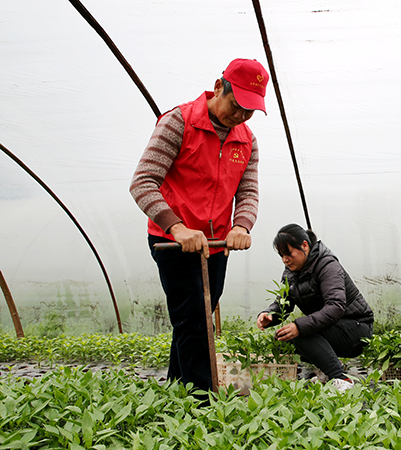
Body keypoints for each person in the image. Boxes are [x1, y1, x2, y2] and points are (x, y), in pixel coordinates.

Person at [130, 58, 269, 393]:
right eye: (236, 107)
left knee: (196, 316)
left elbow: (248, 192)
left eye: (249, 112)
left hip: (217, 244)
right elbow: (143, 182)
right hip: (172, 241)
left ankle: (177, 389)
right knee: (193, 317)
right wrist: (177, 227)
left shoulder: (246, 140)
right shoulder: (178, 122)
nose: (240, 117)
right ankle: (203, 401)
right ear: (219, 87)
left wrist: (242, 226)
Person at [257, 224, 374, 392]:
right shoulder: (291, 270)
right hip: (331, 327)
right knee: (283, 340)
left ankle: (341, 378)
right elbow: (285, 302)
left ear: (305, 245)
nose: (285, 260)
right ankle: (327, 371)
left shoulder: (327, 265)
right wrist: (269, 315)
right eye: (282, 255)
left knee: (301, 334)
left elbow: (336, 307)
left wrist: (299, 326)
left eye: (289, 253)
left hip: (355, 328)